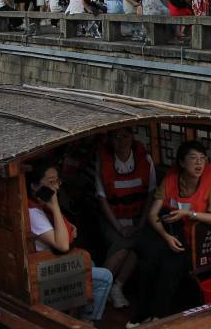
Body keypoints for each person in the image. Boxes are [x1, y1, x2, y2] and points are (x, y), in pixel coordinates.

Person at [127, 141, 211, 327]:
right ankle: (143, 314)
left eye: (202, 159)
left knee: (169, 267)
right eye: (193, 158)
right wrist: (166, 237)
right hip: (171, 237)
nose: (199, 163)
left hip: (194, 244)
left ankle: (158, 317)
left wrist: (189, 214)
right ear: (181, 162)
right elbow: (152, 214)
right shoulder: (170, 180)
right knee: (145, 264)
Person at [26, 162, 113, 322]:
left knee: (91, 263)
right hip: (46, 271)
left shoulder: (41, 206)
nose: (56, 188)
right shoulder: (33, 213)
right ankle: (87, 321)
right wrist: (55, 205)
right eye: (50, 182)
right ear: (34, 186)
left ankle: (79, 314)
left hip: (54, 262)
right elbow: (63, 245)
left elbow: (64, 231)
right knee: (105, 277)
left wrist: (65, 223)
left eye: (57, 181)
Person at [95, 128, 156, 310]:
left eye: (125, 136)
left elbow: (151, 193)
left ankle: (116, 287)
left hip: (138, 218)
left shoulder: (145, 159)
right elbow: (102, 198)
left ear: (132, 138)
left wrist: (142, 223)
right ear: (110, 139)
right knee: (122, 248)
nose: (121, 141)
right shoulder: (103, 161)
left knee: (137, 247)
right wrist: (119, 227)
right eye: (116, 136)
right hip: (113, 220)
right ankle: (99, 289)